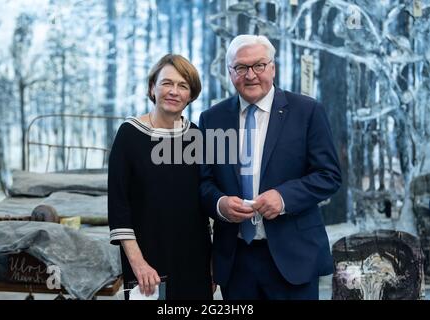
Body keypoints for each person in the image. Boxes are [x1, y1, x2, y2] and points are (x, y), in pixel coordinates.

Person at [199, 35, 342, 300]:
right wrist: (220, 204)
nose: (250, 75)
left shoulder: (307, 111)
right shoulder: (212, 119)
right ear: (230, 72)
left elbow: (329, 175)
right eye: (241, 68)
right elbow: (204, 182)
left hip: (293, 258)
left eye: (259, 65)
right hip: (236, 260)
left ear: (272, 68)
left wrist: (284, 197)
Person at [108, 54, 213, 300]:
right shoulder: (129, 135)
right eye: (167, 83)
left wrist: (212, 263)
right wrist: (138, 263)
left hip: (194, 259)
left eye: (182, 86)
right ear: (152, 88)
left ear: (191, 95)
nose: (174, 91)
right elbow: (119, 206)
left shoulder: (196, 136)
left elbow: (203, 205)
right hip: (147, 262)